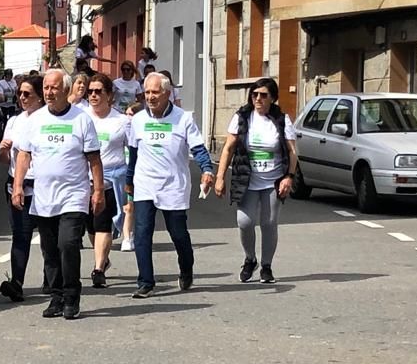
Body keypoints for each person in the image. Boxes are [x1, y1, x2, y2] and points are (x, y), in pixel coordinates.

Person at [12, 68, 104, 320]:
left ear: (66, 89)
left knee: (68, 243)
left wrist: (98, 190)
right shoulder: (35, 120)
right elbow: (23, 155)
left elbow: (94, 158)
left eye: (53, 88)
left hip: (73, 194)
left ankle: (72, 295)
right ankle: (56, 296)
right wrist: (18, 186)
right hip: (43, 197)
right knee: (50, 249)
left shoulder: (81, 119)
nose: (49, 92)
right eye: (46, 88)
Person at [126, 72, 215, 298]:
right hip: (145, 183)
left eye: (155, 92)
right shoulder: (137, 120)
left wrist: (206, 169)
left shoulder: (183, 119)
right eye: (147, 92)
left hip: (173, 184)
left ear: (167, 93)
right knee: (143, 232)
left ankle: (186, 269)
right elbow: (133, 155)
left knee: (178, 233)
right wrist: (129, 181)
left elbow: (198, 148)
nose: (150, 97)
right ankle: (145, 281)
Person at [214, 77, 299, 284]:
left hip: (273, 180)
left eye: (263, 95)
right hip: (247, 178)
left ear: (273, 98)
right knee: (244, 222)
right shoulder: (242, 117)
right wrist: (220, 177)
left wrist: (289, 177)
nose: (258, 99)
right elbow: (228, 148)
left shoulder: (281, 119)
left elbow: (292, 151)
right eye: (255, 94)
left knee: (269, 223)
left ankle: (266, 266)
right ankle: (250, 259)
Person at [0, 75, 45, 301]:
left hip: (42, 183)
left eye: (27, 94)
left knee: (49, 235)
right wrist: (4, 151)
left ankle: (51, 279)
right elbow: (6, 160)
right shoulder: (14, 121)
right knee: (20, 235)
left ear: (40, 96)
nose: (22, 98)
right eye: (20, 93)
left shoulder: (47, 119)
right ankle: (16, 282)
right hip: (16, 183)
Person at [85, 73, 128, 287]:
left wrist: (132, 176)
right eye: (90, 91)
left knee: (103, 223)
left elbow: (133, 149)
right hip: (84, 179)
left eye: (98, 91)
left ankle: (98, 268)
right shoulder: (82, 117)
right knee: (91, 227)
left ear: (109, 95)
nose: (93, 95)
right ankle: (102, 256)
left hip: (111, 178)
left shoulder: (121, 121)